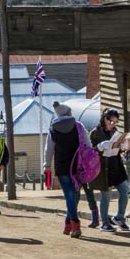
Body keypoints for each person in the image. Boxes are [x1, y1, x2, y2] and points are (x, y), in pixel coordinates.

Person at [90, 108, 130, 232]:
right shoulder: (95, 133)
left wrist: (124, 146)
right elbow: (90, 151)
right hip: (103, 169)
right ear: (105, 119)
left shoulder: (115, 132)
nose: (113, 124)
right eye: (111, 121)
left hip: (116, 166)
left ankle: (119, 218)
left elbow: (120, 149)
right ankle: (105, 223)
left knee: (125, 191)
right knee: (106, 196)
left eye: (115, 122)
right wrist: (100, 146)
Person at [48, 101, 84, 237]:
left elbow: (49, 149)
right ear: (69, 113)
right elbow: (86, 143)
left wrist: (46, 165)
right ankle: (73, 224)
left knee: (70, 196)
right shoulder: (78, 126)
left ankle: (70, 224)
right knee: (73, 196)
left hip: (61, 166)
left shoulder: (53, 129)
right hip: (77, 165)